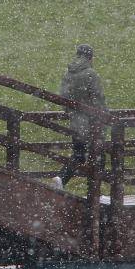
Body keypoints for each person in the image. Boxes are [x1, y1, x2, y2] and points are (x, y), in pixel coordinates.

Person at [55, 44, 106, 188]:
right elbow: (98, 98)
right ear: (90, 57)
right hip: (92, 123)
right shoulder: (91, 74)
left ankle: (61, 179)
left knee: (78, 154)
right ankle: (95, 190)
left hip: (76, 122)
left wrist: (70, 112)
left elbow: (63, 97)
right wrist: (104, 116)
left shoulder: (68, 73)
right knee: (99, 156)